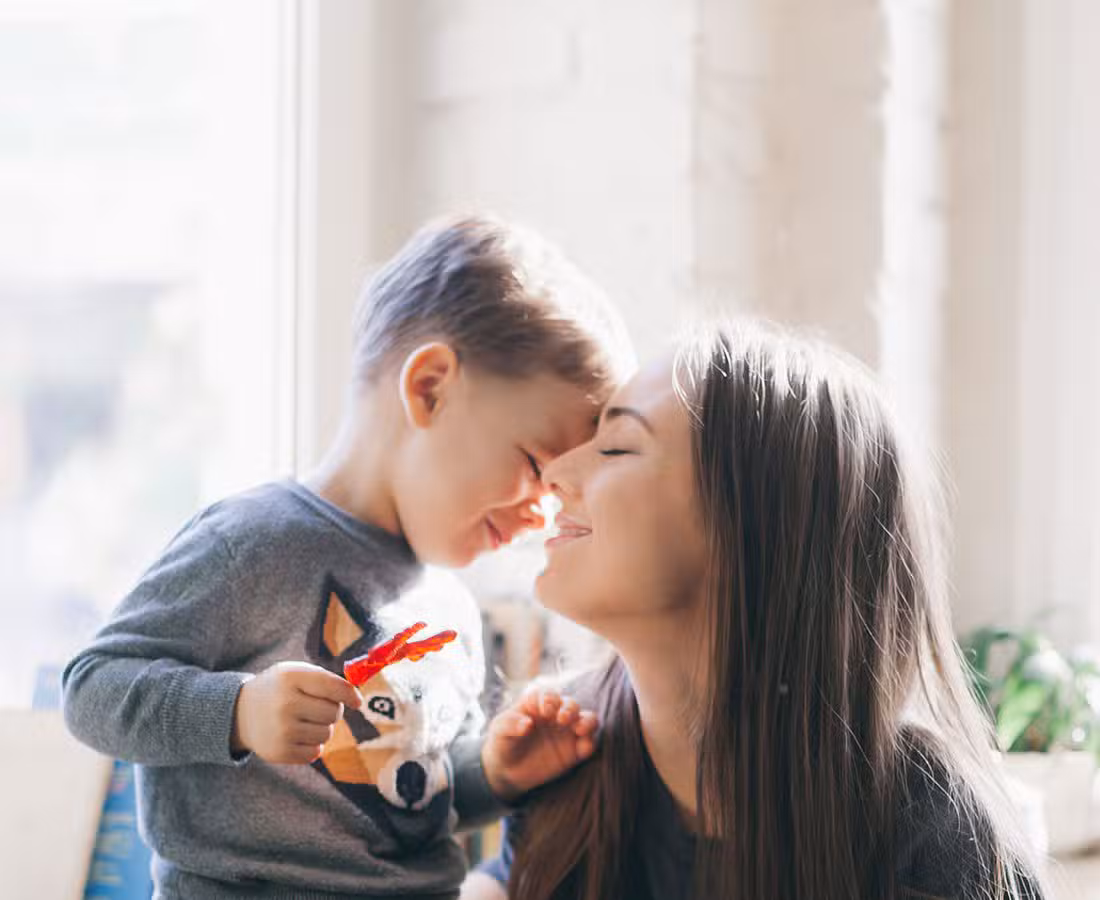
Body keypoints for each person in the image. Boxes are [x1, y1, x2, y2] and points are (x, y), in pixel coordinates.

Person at [62, 215, 634, 900]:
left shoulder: (449, 607)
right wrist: (237, 713)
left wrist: (497, 772)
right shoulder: (254, 542)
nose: (547, 511)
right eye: (537, 465)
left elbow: (419, 803)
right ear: (429, 388)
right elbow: (92, 686)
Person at [465, 320, 1047, 900]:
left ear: (755, 532)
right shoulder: (562, 763)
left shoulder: (936, 835)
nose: (555, 474)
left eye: (615, 447)